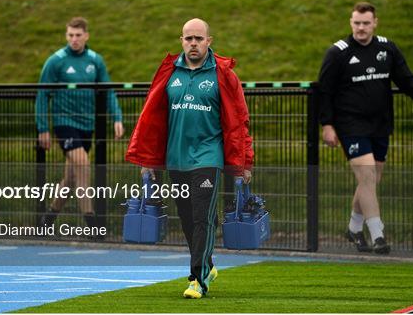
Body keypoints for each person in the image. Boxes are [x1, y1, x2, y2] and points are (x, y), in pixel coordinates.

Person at [125, 18, 253, 298]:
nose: (193, 43)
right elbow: (152, 118)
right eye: (188, 38)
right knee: (186, 216)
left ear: (209, 41)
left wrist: (244, 162)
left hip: (208, 156)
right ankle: (207, 262)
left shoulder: (223, 74)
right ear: (181, 41)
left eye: (198, 38)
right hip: (176, 158)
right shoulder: (169, 72)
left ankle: (197, 278)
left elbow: (239, 121)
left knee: (202, 217)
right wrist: (148, 159)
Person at [318, 2, 413, 255]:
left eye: (366, 23)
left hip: (380, 124)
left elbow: (404, 77)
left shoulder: (386, 48)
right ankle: (378, 234)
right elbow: (324, 91)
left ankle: (354, 228)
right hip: (351, 125)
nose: (361, 28)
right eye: (357, 23)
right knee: (368, 177)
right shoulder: (338, 53)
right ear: (351, 23)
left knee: (370, 181)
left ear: (375, 23)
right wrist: (327, 125)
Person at [35, 17, 124, 234]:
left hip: (87, 125)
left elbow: (108, 91)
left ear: (86, 36)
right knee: (83, 164)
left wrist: (117, 118)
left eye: (78, 35)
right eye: (70, 35)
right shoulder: (55, 61)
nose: (74, 39)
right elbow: (42, 95)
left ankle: (47, 220)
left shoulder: (96, 60)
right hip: (64, 123)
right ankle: (92, 222)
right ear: (66, 36)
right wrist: (43, 128)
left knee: (71, 178)